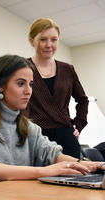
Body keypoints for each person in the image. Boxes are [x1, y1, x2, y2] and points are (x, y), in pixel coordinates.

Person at [0, 54, 103, 188]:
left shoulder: (29, 127)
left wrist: (86, 165)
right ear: (0, 86)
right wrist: (43, 171)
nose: (28, 91)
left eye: (31, 84)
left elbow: (52, 154)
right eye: (21, 83)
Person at [27, 18, 89, 159]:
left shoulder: (68, 69)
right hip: (36, 137)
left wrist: (78, 124)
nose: (49, 45)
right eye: (43, 39)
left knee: (74, 178)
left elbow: (83, 100)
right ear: (32, 41)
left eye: (54, 39)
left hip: (66, 136)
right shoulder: (22, 67)